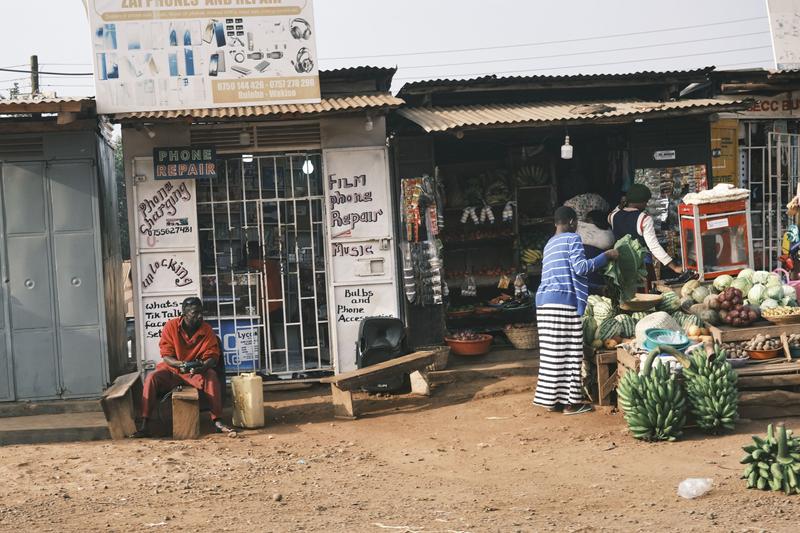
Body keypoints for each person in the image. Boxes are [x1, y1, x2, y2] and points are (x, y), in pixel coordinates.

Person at [533, 206, 619, 415]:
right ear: (572, 222)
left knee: (552, 354)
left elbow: (565, 273)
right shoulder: (573, 239)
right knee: (571, 353)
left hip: (544, 304)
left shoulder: (549, 244)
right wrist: (605, 256)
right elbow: (580, 268)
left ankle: (551, 400)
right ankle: (571, 404)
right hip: (563, 302)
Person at [133, 297, 234, 437]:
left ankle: (217, 421)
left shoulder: (206, 329)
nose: (199, 316)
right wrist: (182, 364)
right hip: (173, 370)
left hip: (195, 372)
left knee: (211, 377)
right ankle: (145, 425)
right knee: (151, 378)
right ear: (184, 314)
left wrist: (203, 367)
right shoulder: (171, 326)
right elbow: (166, 356)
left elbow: (213, 356)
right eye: (195, 313)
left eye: (201, 313)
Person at [609, 183, 683, 285]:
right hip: (641, 267)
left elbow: (617, 210)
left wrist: (622, 203)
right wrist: (674, 267)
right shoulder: (644, 219)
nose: (646, 205)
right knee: (644, 296)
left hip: (620, 265)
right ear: (641, 202)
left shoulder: (613, 216)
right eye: (646, 202)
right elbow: (654, 246)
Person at [576, 210, 615, 294]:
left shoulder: (580, 230)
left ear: (589, 219)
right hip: (600, 280)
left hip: (584, 279)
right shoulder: (609, 235)